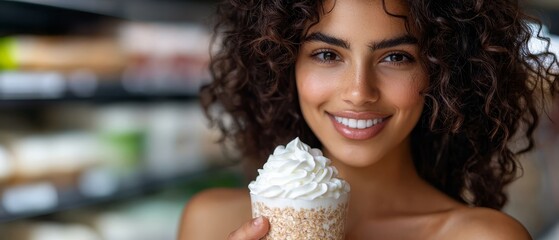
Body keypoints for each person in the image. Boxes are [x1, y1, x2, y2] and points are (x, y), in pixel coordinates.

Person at [179, 0, 559, 239]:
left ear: (445, 73)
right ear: (282, 66)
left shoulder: (482, 237)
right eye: (327, 55)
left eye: (396, 57)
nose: (359, 92)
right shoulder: (210, 223)